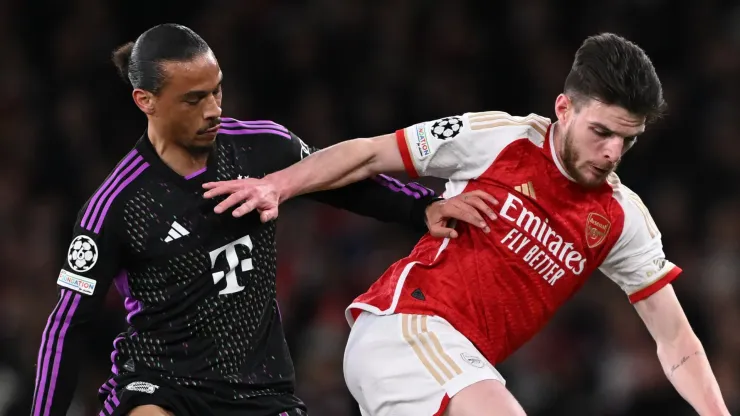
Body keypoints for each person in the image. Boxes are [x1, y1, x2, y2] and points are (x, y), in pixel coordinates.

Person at [203, 33, 732, 416]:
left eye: (628, 139)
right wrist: (277, 185)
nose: (613, 151)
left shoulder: (621, 219)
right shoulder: (500, 139)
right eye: (601, 131)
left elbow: (677, 343)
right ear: (564, 108)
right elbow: (368, 155)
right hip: (407, 327)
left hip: (451, 368)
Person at [30, 23, 499, 416]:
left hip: (260, 387)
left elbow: (339, 179)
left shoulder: (260, 145)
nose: (213, 110)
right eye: (193, 100)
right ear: (145, 101)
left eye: (217, 91)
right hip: (161, 384)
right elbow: (66, 325)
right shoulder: (116, 204)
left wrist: (421, 207)